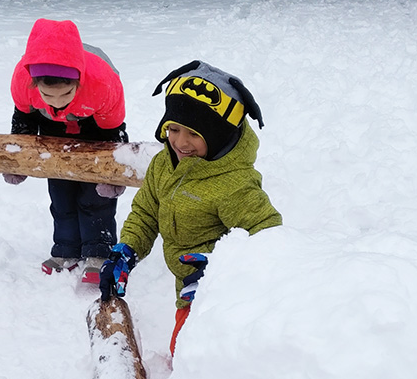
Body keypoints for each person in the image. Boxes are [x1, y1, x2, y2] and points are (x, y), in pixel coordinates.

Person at [99, 60, 282, 355]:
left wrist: (218, 271)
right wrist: (127, 250)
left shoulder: (234, 185)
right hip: (185, 291)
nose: (180, 142)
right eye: (173, 128)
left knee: (192, 358)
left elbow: (268, 237)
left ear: (219, 135)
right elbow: (146, 212)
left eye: (194, 134)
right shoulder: (165, 163)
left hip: (221, 301)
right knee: (181, 353)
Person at [5, 18, 129, 283]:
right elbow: (24, 120)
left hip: (95, 124)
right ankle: (66, 249)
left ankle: (99, 252)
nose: (58, 103)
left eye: (65, 94)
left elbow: (114, 130)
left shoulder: (103, 85)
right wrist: (19, 159)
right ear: (33, 83)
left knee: (95, 195)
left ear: (79, 83)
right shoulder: (21, 81)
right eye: (49, 96)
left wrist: (111, 174)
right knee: (60, 191)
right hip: (49, 127)